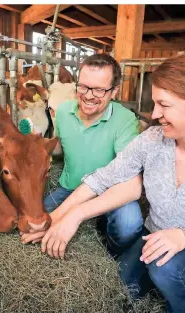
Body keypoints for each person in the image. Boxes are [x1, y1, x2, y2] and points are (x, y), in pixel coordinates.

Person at [29, 51, 185, 313]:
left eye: (164, 105)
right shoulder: (153, 140)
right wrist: (66, 216)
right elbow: (104, 177)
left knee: (164, 269)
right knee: (124, 289)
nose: (154, 113)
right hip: (153, 236)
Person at [21, 54, 143, 257]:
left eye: (99, 90)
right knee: (36, 221)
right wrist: (37, 146)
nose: (88, 95)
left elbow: (130, 181)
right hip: (70, 188)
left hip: (109, 192)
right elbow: (60, 148)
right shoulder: (63, 111)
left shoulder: (126, 120)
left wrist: (73, 214)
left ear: (114, 92)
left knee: (129, 224)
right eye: (84, 86)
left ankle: (110, 255)